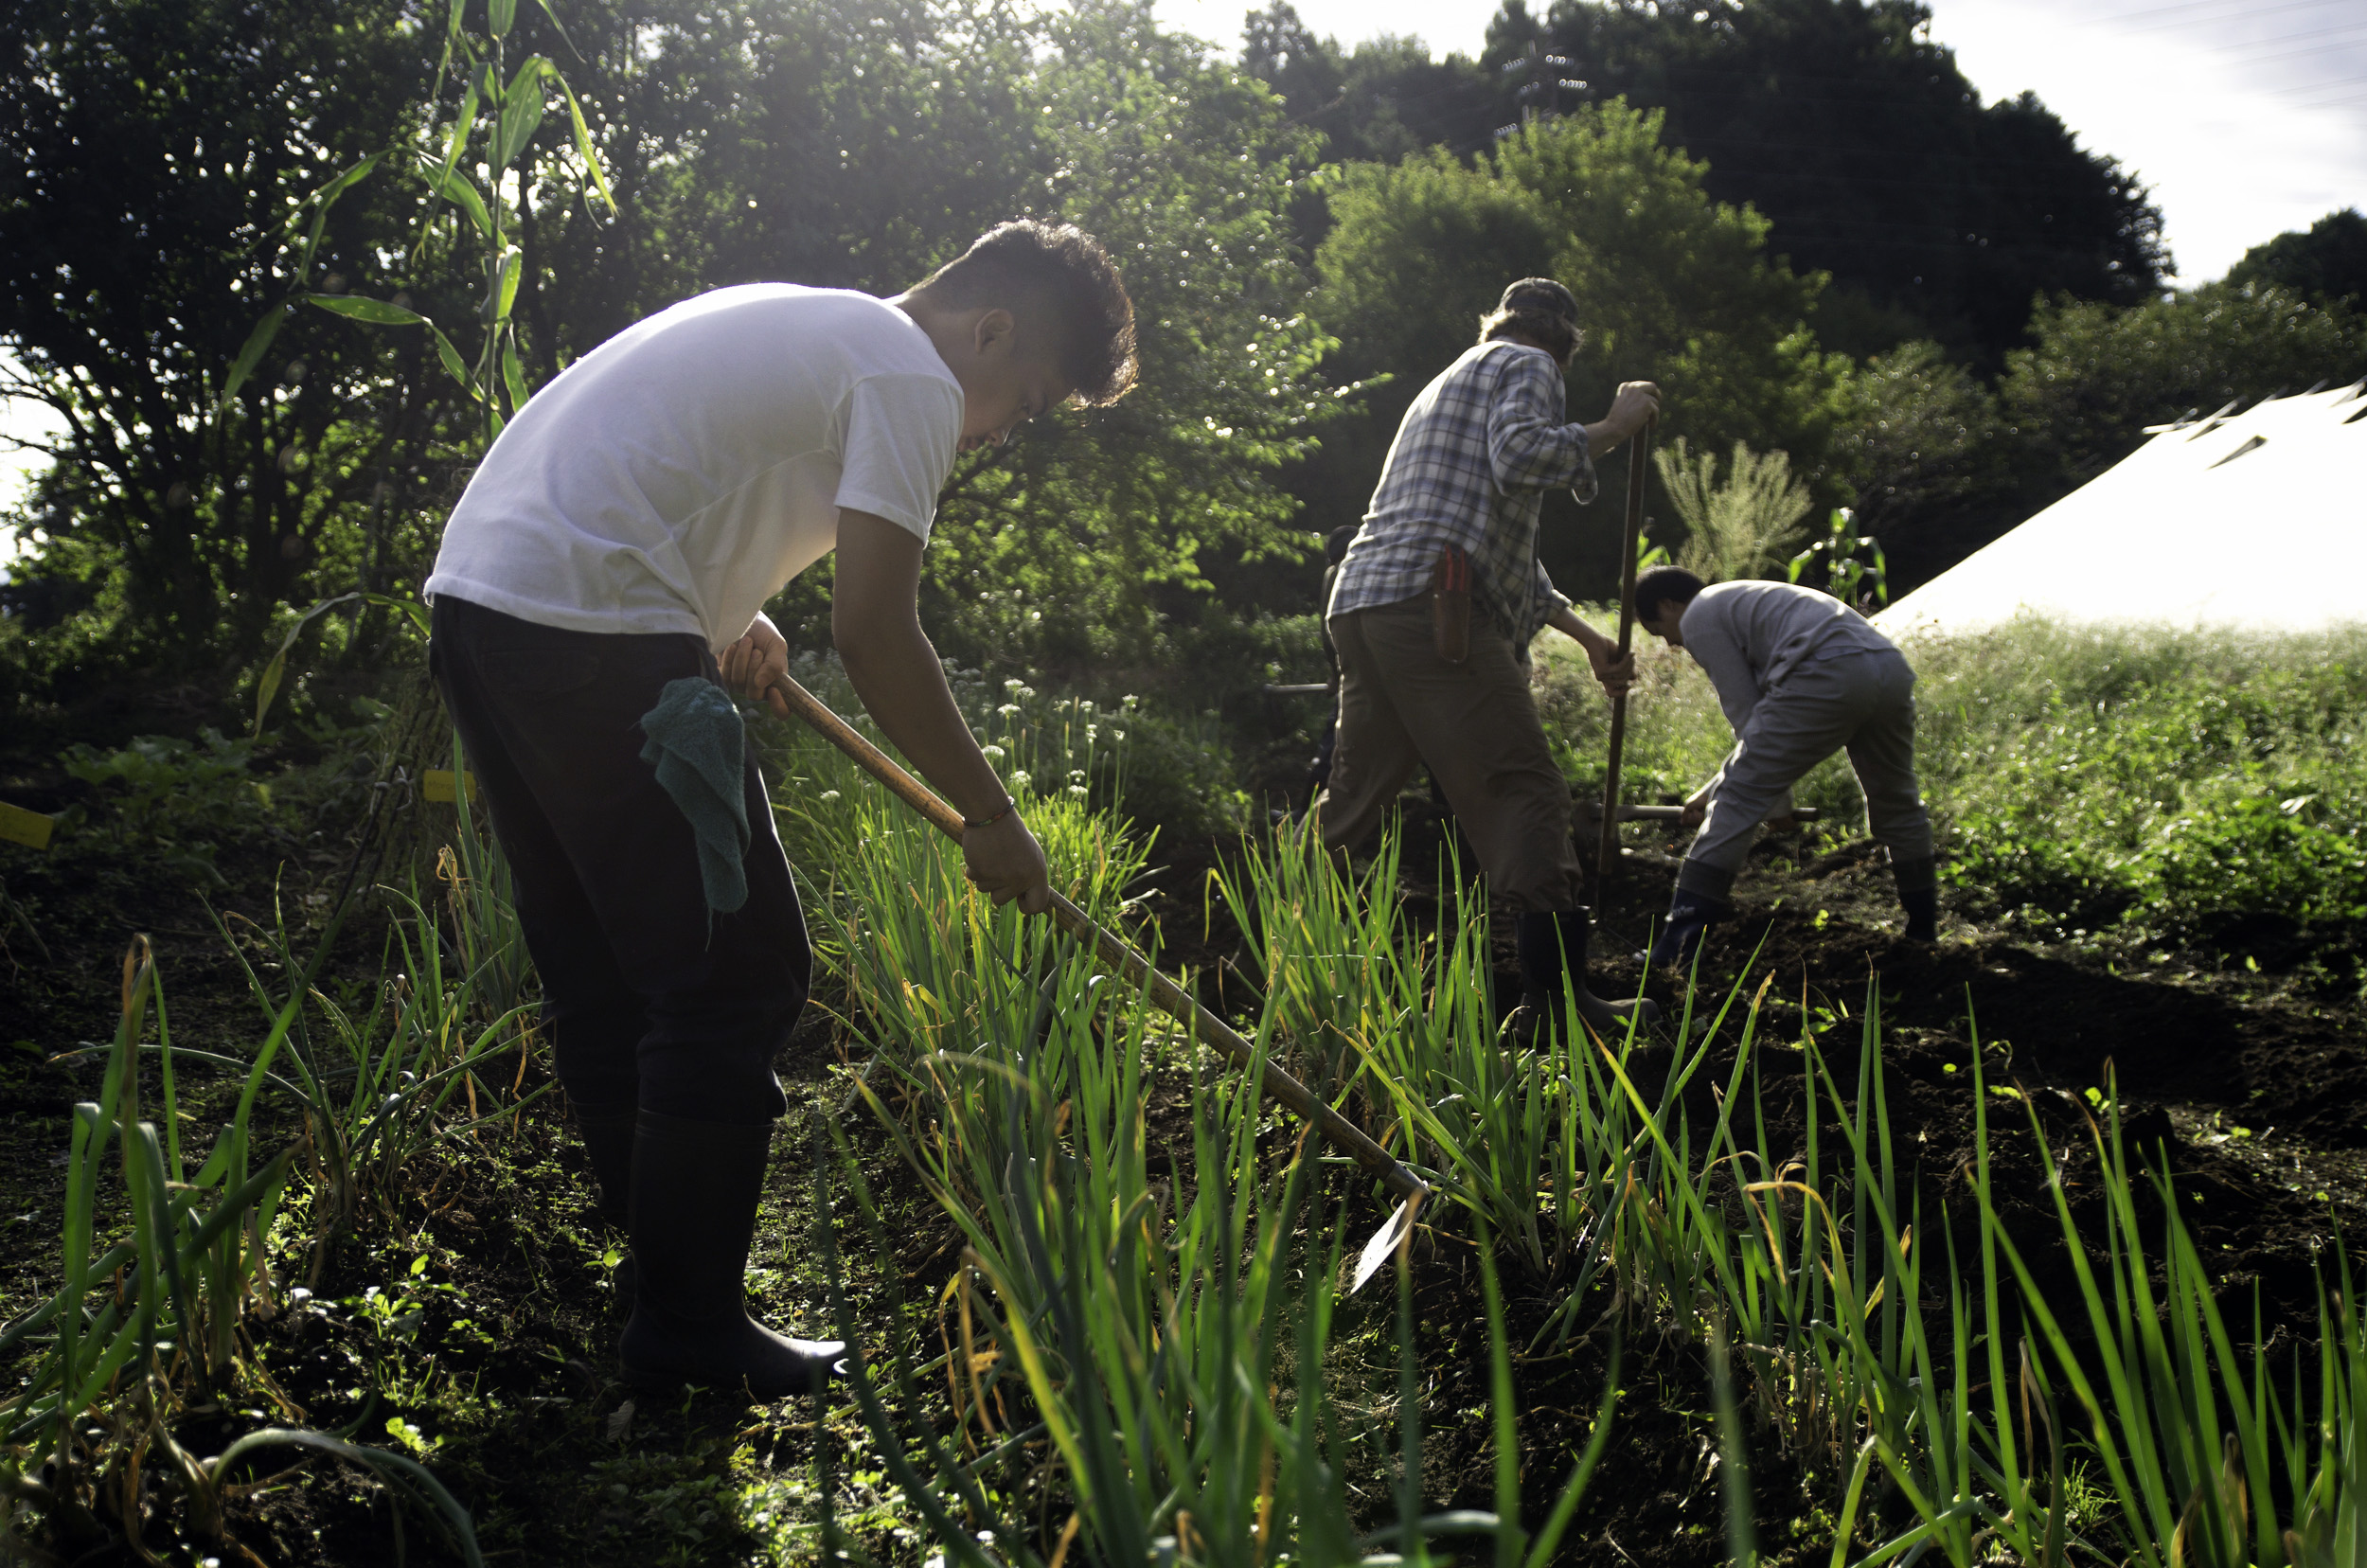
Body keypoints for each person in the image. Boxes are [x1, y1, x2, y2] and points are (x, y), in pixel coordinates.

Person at [422, 221, 1136, 1399]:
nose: (1004, 429)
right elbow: (876, 631)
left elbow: (660, 468)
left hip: (485, 606)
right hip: (592, 623)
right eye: (1026, 399)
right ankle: (688, 1327)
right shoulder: (907, 370)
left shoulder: (811, 312)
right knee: (736, 974)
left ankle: (657, 1282)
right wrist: (990, 817)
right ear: (991, 330)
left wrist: (716, 610)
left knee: (607, 976)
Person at [1316, 277, 1663, 1039]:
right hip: (1434, 607)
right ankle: (1558, 1008)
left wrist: (1589, 638)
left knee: (1354, 799)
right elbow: (1524, 457)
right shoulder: (1530, 366)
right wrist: (1615, 423)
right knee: (1524, 789)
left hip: (1365, 600)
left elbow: (1501, 548)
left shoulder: (1445, 385)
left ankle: (1291, 963)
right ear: (1563, 342)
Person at [1629, 564, 1938, 971]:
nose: (1670, 643)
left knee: (1738, 801)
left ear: (1669, 604)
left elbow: (1746, 712)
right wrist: (1708, 791)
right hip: (1886, 666)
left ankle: (1678, 947)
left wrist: (1773, 806)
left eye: (1659, 628)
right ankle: (1924, 932)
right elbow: (1767, 732)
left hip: (1826, 671)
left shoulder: (1700, 613)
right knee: (1896, 800)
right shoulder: (1743, 598)